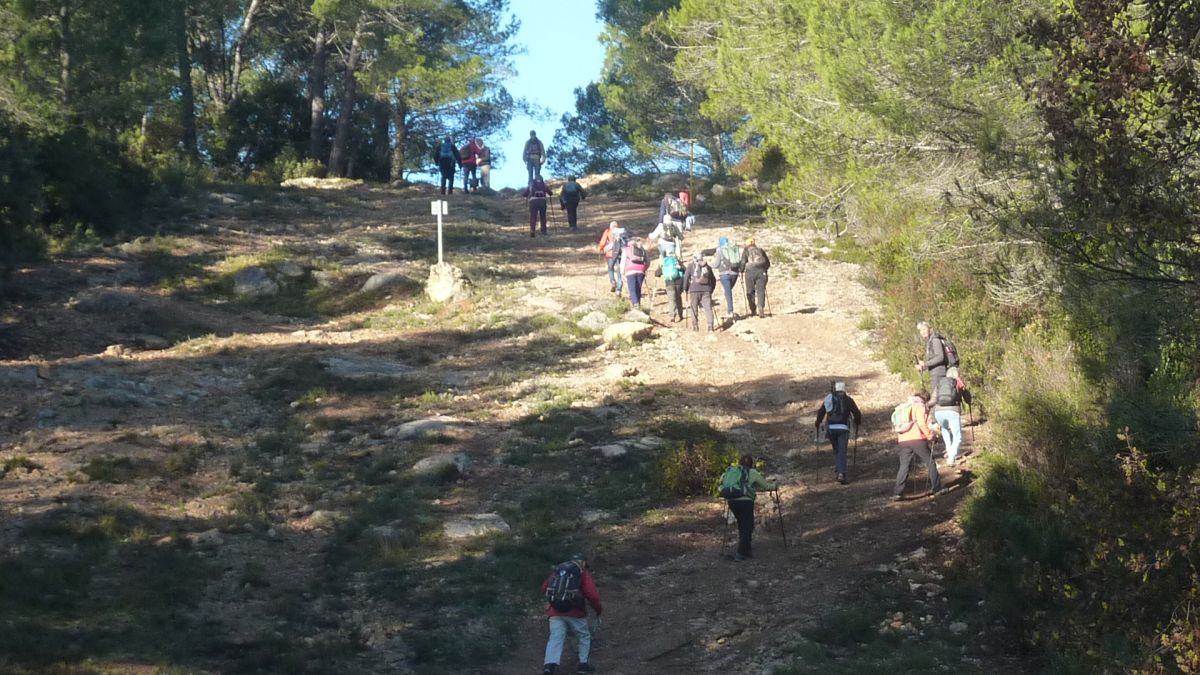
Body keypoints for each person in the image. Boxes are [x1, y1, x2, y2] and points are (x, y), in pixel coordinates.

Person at [541, 552, 602, 674]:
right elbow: (592, 595)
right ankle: (583, 665)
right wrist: (598, 609)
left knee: (555, 638)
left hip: (555, 611)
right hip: (576, 612)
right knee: (584, 636)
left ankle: (549, 666)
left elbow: (544, 587)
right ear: (583, 562)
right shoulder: (582, 573)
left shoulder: (559, 570)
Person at [719, 454, 777, 561]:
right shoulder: (752, 472)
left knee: (742, 524)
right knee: (747, 526)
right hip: (746, 502)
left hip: (732, 500)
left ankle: (746, 550)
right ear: (751, 464)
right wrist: (775, 486)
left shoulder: (733, 471)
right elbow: (766, 486)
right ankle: (741, 553)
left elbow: (722, 482)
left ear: (740, 462)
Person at [893, 391, 942, 500]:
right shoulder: (919, 407)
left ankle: (897, 492)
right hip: (917, 439)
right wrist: (931, 436)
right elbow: (922, 424)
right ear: (925, 399)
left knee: (904, 466)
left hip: (902, 440)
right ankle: (937, 488)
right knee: (930, 462)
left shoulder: (906, 406)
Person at [814, 381, 863, 485]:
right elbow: (857, 413)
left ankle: (838, 470)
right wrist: (857, 422)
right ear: (844, 389)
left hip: (831, 428)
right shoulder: (848, 400)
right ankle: (841, 473)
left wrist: (817, 423)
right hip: (843, 428)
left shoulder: (829, 398)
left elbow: (821, 411)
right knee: (842, 450)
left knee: (836, 450)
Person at [932, 366, 972, 465]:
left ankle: (949, 451)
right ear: (957, 374)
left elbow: (933, 399)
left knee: (945, 430)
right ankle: (951, 457)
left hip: (938, 412)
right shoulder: (958, 382)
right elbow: (968, 399)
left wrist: (926, 406)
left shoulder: (940, 383)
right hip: (952, 411)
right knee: (957, 436)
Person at [682, 250, 716, 331]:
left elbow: (686, 278)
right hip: (706, 290)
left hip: (694, 290)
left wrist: (685, 289)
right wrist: (711, 289)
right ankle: (710, 326)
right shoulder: (707, 266)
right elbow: (713, 279)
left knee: (694, 308)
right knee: (708, 308)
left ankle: (695, 326)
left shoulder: (690, 266)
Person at [654, 240, 685, 322]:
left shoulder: (664, 262)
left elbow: (657, 273)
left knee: (671, 299)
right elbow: (684, 269)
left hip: (669, 283)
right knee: (678, 298)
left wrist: (660, 271)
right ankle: (680, 314)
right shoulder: (677, 260)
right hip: (678, 282)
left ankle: (672, 316)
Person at [713, 236, 743, 319]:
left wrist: (708, 265)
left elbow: (716, 264)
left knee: (728, 291)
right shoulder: (733, 249)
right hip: (734, 274)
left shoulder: (719, 250)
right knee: (728, 291)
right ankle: (730, 309)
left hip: (724, 274)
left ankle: (730, 310)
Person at [916, 321, 950, 394]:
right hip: (935, 373)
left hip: (939, 374)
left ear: (930, 329)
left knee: (937, 398)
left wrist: (925, 364)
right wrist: (923, 367)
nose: (922, 332)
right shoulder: (929, 341)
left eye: (924, 329)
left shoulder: (935, 340)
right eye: (920, 331)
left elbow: (940, 357)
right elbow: (933, 361)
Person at [741, 238, 771, 317]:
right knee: (761, 290)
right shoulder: (760, 250)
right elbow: (767, 263)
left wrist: (741, 271)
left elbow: (743, 262)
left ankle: (753, 309)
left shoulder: (746, 251)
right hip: (761, 271)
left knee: (750, 291)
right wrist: (764, 270)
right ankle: (761, 307)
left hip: (750, 272)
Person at [597, 221, 627, 294]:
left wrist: (600, 249)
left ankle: (613, 281)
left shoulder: (608, 231)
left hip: (610, 254)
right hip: (620, 253)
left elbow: (603, 242)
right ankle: (619, 289)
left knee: (610, 268)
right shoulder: (621, 232)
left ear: (610, 227)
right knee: (619, 271)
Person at [622, 236, 649, 309]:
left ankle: (635, 305)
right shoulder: (642, 250)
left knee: (632, 289)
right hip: (641, 271)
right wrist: (644, 269)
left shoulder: (626, 249)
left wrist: (622, 273)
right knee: (638, 289)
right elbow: (648, 262)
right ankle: (638, 305)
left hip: (630, 271)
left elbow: (623, 262)